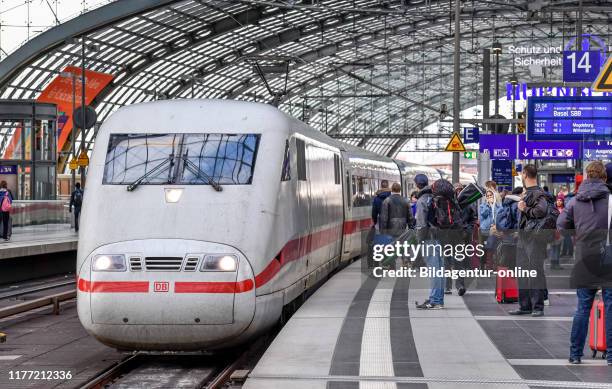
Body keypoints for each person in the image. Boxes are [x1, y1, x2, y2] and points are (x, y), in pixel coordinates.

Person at [557, 161, 611, 365]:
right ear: (604, 177)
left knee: (582, 308)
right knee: (611, 306)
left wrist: (577, 233)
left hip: (584, 256)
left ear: (587, 176)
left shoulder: (574, 201)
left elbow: (561, 225)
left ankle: (575, 354)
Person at [509, 164, 550, 317]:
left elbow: (541, 211)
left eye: (521, 174)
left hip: (534, 239)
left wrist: (524, 208)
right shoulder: (529, 193)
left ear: (525, 174)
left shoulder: (538, 193)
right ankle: (525, 305)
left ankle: (537, 306)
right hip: (524, 238)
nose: (521, 176)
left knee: (535, 272)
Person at [478, 189, 502, 270]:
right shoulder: (483, 206)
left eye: (490, 195)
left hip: (494, 231)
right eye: (487, 196)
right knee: (483, 249)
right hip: (485, 231)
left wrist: (493, 206)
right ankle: (482, 266)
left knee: (492, 247)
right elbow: (483, 214)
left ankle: (491, 266)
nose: (489, 197)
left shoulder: (499, 206)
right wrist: (489, 205)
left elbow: (500, 216)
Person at [548, 195, 565, 270]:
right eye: (558, 200)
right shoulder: (553, 209)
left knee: (558, 248)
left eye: (561, 200)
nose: (559, 202)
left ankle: (556, 263)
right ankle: (553, 263)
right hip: (554, 231)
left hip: (561, 231)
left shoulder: (564, 209)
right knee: (554, 248)